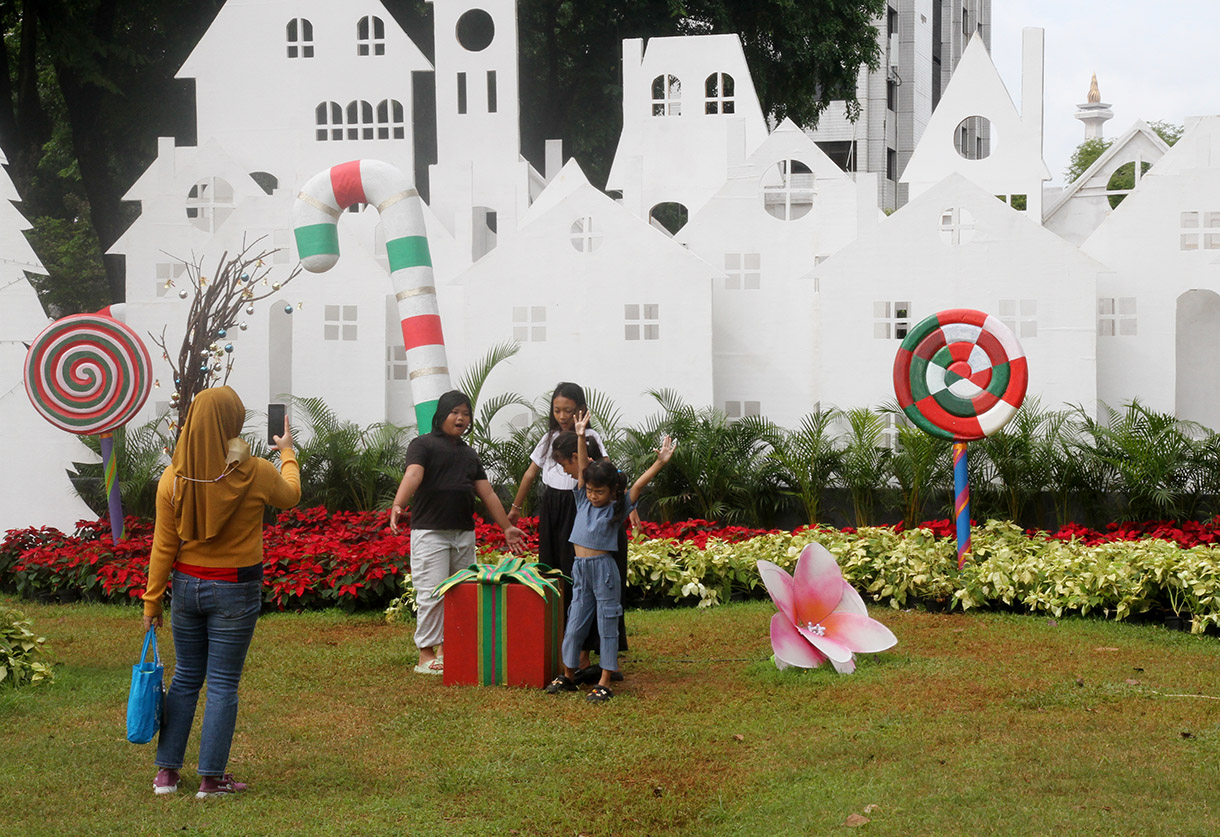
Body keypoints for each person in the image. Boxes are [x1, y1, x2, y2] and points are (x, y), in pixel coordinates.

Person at [143, 386, 300, 798]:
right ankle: (211, 779)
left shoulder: (173, 479)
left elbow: (164, 545)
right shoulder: (257, 471)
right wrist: (287, 452)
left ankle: (167, 775)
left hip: (186, 588)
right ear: (231, 423)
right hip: (235, 588)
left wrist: (152, 600)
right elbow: (291, 496)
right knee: (223, 684)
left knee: (186, 679)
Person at [389, 390, 526, 675]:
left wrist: (507, 528)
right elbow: (414, 474)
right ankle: (426, 655)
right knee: (431, 594)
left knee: (461, 593)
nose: (461, 418)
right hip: (431, 533)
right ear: (441, 415)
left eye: (465, 413)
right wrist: (399, 503)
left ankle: (447, 651)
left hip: (463, 534)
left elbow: (486, 493)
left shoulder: (468, 453)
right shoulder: (422, 445)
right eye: (455, 412)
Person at [544, 412, 674, 702]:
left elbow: (638, 485)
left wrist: (659, 462)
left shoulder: (616, 509)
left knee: (606, 622)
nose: (592, 495)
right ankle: (568, 675)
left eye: (599, 492)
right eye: (590, 490)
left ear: (613, 491)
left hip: (603, 571)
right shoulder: (581, 499)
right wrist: (580, 436)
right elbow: (581, 468)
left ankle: (604, 680)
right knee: (575, 620)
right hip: (580, 569)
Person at [507, 382, 627, 680]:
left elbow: (608, 471)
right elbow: (530, 473)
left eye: (569, 410)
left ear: (581, 410)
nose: (562, 415)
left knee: (582, 581)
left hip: (582, 506)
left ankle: (588, 654)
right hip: (553, 510)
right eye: (557, 410)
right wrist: (516, 507)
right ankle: (564, 654)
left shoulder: (591, 438)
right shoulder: (548, 440)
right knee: (557, 574)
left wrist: (625, 505)